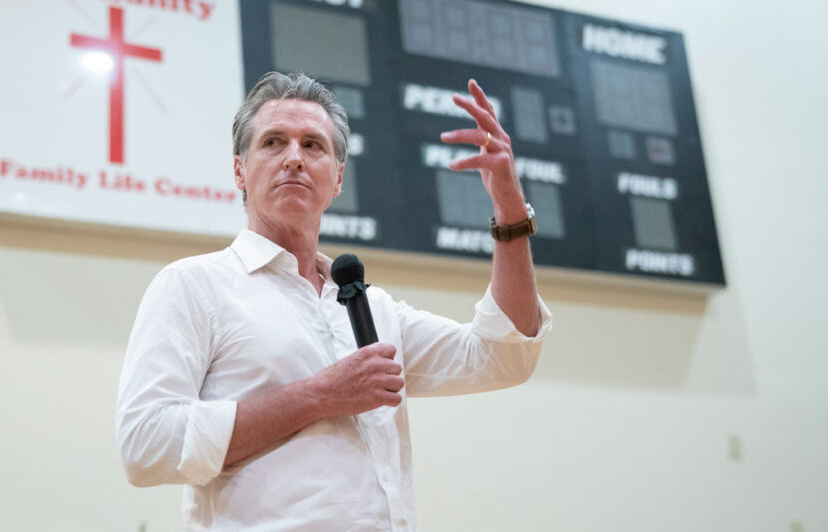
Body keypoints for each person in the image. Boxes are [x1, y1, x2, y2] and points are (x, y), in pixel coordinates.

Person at [116, 71, 552, 531]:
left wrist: (509, 212)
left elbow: (504, 355)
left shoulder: (375, 308)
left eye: (313, 145)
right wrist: (320, 395)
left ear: (338, 177)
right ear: (239, 169)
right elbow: (145, 447)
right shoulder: (195, 285)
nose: (294, 159)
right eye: (273, 142)